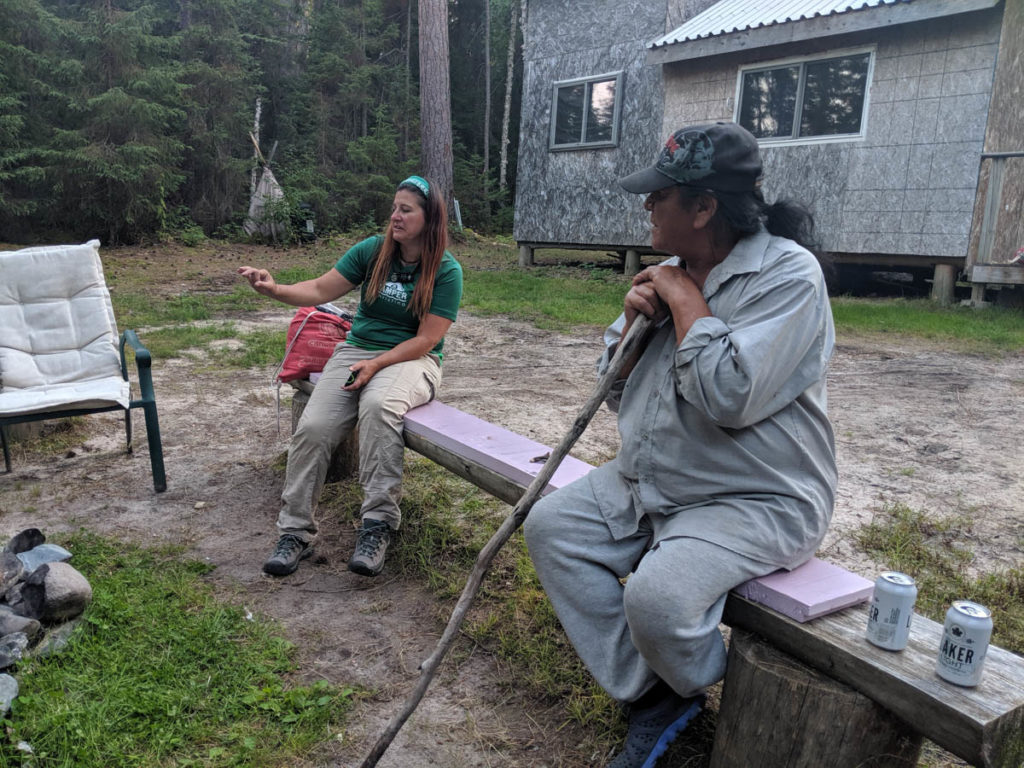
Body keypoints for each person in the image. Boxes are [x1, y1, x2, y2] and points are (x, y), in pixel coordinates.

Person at [523, 123, 837, 768]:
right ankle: (656, 693)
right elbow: (613, 394)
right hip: (653, 475)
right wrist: (632, 328)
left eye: (659, 195)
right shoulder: (671, 273)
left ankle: (700, 683)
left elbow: (730, 396)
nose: (647, 205)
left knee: (657, 601)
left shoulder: (788, 275)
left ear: (702, 208)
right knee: (554, 528)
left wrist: (687, 302)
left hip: (752, 494)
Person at [238, 175, 463, 578]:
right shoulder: (373, 251)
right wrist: (275, 289)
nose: (395, 216)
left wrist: (377, 365)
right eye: (394, 208)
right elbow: (320, 289)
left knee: (378, 407)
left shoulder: (446, 270)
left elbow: (427, 339)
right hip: (357, 351)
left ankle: (378, 524)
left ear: (430, 218)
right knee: (314, 428)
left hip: (413, 359)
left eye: (406, 210)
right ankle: (294, 532)